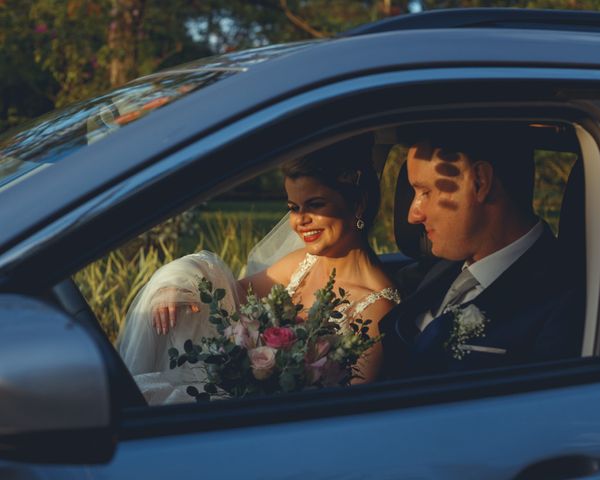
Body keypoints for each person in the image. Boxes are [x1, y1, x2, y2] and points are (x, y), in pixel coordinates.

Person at [118, 135, 400, 404]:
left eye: (315, 205)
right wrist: (181, 285)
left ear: (357, 203)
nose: (300, 221)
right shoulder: (301, 263)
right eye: (293, 207)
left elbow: (350, 406)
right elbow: (226, 295)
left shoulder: (377, 309)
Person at [380, 125, 584, 378]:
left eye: (426, 192)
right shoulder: (439, 268)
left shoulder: (564, 299)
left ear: (479, 182)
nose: (413, 215)